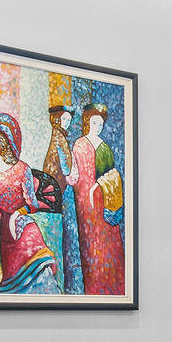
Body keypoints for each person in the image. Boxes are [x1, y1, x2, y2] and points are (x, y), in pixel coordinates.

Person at [0, 114, 60, 294]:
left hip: (14, 219)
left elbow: (32, 204)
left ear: (1, 140)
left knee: (30, 231)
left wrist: (16, 215)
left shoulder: (23, 169)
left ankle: (38, 284)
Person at [70, 103, 126, 295]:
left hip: (103, 201)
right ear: (87, 121)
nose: (97, 126)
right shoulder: (79, 144)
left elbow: (112, 175)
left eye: (100, 123)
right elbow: (74, 177)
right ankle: (93, 288)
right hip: (85, 203)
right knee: (90, 245)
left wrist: (98, 185)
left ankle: (113, 287)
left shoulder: (105, 148)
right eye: (94, 122)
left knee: (107, 245)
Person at [42, 103, 82, 294]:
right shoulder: (60, 140)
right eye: (64, 119)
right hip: (62, 191)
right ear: (56, 119)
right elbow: (66, 170)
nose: (67, 123)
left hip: (55, 190)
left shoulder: (55, 138)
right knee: (68, 233)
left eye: (69, 120)